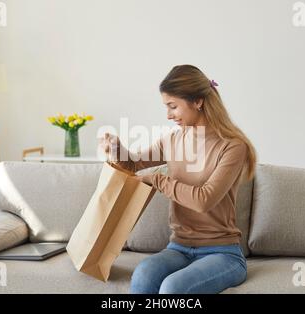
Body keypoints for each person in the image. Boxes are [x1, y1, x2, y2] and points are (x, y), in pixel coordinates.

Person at [100, 64, 257, 294]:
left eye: (173, 106)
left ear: (198, 101)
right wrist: (116, 148)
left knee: (173, 288)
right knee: (143, 275)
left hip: (222, 252)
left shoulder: (232, 147)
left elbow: (204, 200)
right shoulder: (172, 140)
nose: (168, 115)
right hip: (179, 247)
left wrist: (158, 179)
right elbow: (134, 164)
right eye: (166, 107)